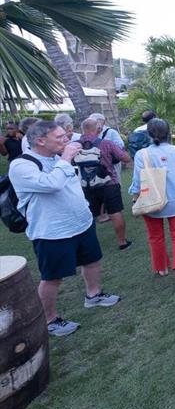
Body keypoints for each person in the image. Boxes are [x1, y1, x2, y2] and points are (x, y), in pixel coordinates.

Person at [9, 120, 120, 337]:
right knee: (52, 276)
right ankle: (49, 320)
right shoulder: (22, 165)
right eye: (60, 137)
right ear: (41, 140)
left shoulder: (57, 159)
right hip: (52, 231)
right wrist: (66, 158)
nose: (67, 140)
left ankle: (93, 295)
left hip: (81, 223)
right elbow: (51, 184)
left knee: (92, 260)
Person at [129, 118, 175, 284]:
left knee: (155, 236)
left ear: (148, 134)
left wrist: (135, 199)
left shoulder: (141, 154)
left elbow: (137, 181)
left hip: (151, 200)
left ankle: (161, 267)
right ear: (168, 133)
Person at [77, 117, 133, 250]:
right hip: (109, 183)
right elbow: (125, 158)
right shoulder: (106, 143)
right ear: (99, 129)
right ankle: (122, 242)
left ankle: (90, 245)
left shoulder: (74, 145)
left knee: (89, 215)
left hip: (86, 185)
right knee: (115, 212)